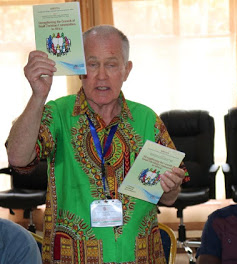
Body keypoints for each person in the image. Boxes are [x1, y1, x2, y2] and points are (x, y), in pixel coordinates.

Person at [6, 25, 187, 263]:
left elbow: (169, 198)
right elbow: (18, 158)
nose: (102, 75)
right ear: (80, 69)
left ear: (126, 70)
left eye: (111, 64)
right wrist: (38, 95)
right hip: (74, 256)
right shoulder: (57, 114)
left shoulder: (147, 119)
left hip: (140, 256)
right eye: (92, 64)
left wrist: (171, 187)